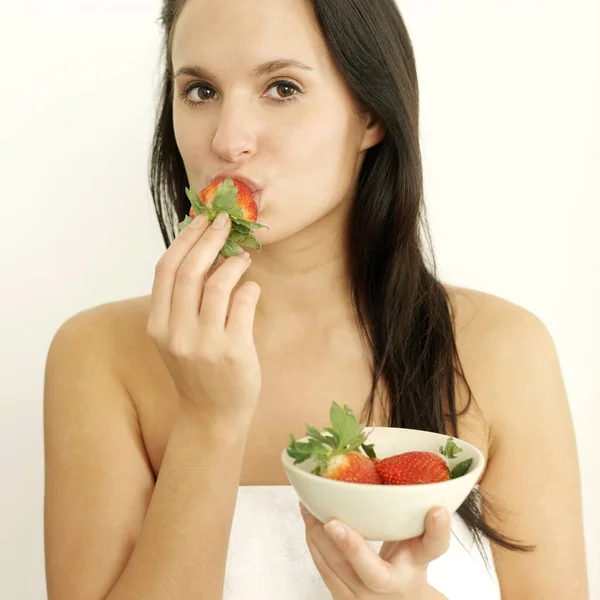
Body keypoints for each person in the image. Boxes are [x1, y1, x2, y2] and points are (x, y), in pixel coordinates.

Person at [42, 0, 589, 598]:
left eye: (281, 87)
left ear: (372, 114)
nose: (228, 141)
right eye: (200, 91)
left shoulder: (503, 350)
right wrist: (208, 421)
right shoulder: (99, 356)